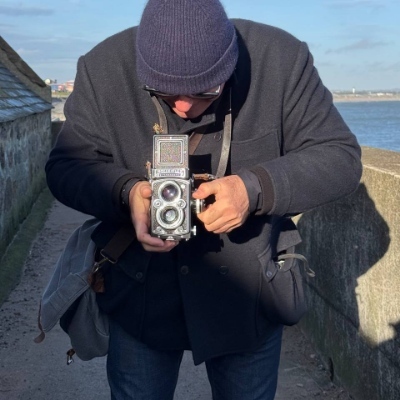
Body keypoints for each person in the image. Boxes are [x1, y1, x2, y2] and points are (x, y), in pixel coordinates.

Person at [45, 0, 362, 399]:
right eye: (163, 92)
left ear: (230, 63)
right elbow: (66, 167)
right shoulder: (102, 68)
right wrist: (127, 193)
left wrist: (253, 189)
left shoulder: (281, 60)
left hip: (247, 298)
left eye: (204, 91)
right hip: (139, 292)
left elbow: (340, 157)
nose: (184, 107)